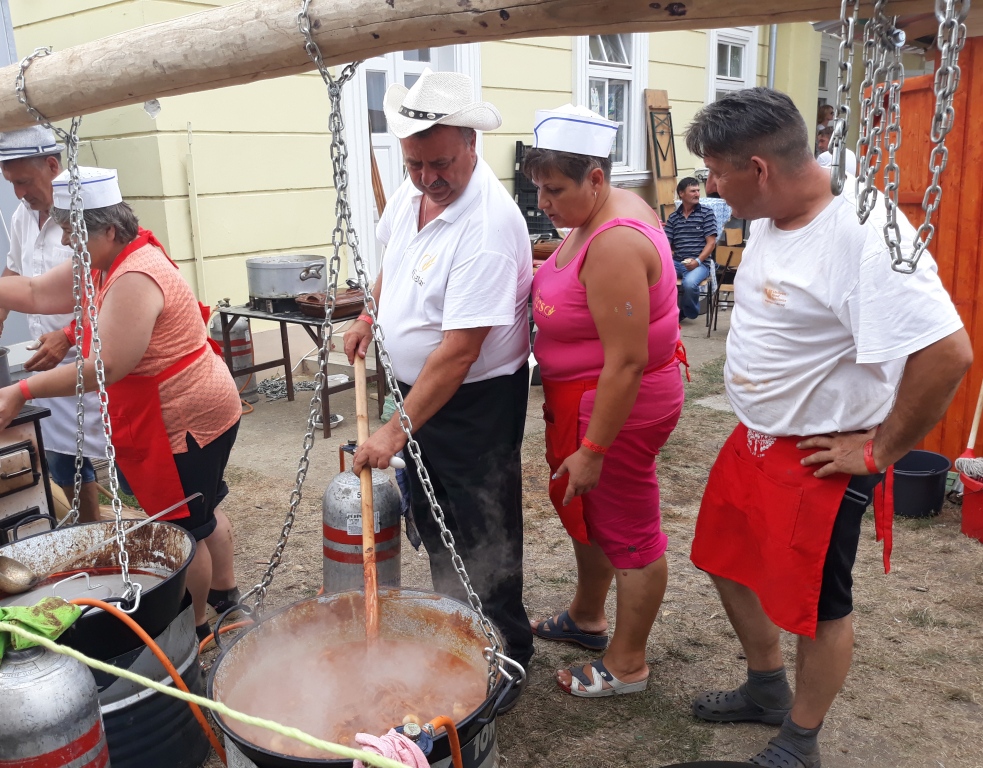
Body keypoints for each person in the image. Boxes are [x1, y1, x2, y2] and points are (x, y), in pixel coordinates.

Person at [684, 88, 972, 768]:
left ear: (757, 169)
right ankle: (764, 687)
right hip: (752, 436)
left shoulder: (864, 234)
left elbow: (948, 351)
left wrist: (877, 449)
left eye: (717, 172)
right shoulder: (771, 209)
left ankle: (799, 739)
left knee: (816, 606)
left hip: (816, 453)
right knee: (721, 560)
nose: (711, 187)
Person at [343, 69, 535, 691]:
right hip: (420, 393)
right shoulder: (413, 194)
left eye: (442, 163)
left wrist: (395, 431)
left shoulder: (487, 226)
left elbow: (459, 352)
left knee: (485, 528)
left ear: (472, 144)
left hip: (475, 402)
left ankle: (505, 656)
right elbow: (390, 262)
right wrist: (373, 313)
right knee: (437, 520)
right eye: (416, 164)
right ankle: (457, 630)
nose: (429, 178)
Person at [0, 167, 243, 641]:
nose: (67, 239)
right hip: (197, 407)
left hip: (185, 418)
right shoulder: (107, 261)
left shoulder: (135, 275)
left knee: (183, 530)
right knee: (202, 509)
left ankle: (193, 628)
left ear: (108, 229)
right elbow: (32, 292)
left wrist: (22, 391)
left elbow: (105, 367)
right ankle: (225, 597)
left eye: (74, 230)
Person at [522, 104, 684, 697]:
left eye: (555, 189)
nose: (543, 202)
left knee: (630, 530)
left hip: (614, 405)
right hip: (585, 397)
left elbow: (628, 360)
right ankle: (589, 617)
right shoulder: (605, 211)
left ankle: (628, 663)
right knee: (588, 512)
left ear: (595, 178)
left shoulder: (614, 242)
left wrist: (594, 448)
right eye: (538, 187)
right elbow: (576, 271)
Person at [0, 126, 105, 523]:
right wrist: (2, 310)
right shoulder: (20, 214)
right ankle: (91, 528)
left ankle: (170, 525)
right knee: (62, 457)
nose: (18, 193)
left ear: (51, 164)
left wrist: (67, 335)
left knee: (126, 460)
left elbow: (106, 284)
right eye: (10, 183)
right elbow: (15, 269)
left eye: (23, 181)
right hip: (46, 359)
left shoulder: (87, 211)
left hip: (98, 358)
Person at [664, 177, 717, 319]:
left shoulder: (706, 213)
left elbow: (711, 243)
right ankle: (667, 312)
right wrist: (668, 258)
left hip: (700, 264)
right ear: (681, 194)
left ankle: (687, 312)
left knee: (688, 284)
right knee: (661, 278)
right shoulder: (674, 217)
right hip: (677, 262)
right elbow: (666, 243)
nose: (697, 194)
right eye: (693, 191)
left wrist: (697, 262)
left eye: (698, 191)